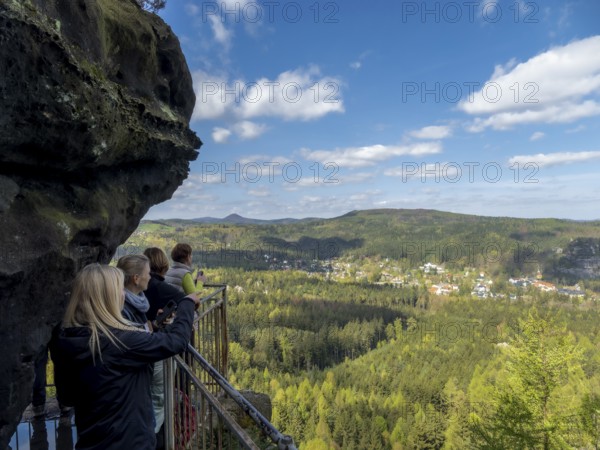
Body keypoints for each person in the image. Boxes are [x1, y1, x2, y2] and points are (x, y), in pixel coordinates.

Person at [50, 263, 199, 450]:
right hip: (130, 441)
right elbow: (176, 342)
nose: (123, 294)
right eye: (119, 289)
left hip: (92, 440)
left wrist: (159, 326)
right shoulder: (119, 342)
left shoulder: (65, 337)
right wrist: (187, 303)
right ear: (108, 297)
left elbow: (67, 397)